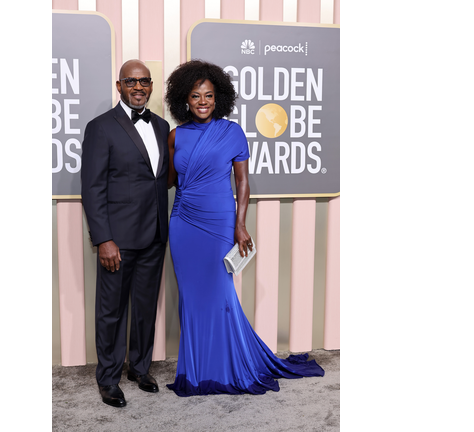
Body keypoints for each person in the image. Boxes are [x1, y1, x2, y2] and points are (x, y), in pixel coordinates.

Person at [163, 60, 325, 396]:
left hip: (219, 222)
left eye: (208, 95)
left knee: (220, 295)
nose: (203, 101)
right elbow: (168, 182)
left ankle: (227, 366)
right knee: (191, 299)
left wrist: (240, 225)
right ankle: (195, 371)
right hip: (183, 223)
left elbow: (243, 183)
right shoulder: (175, 136)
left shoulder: (232, 132)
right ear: (184, 100)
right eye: (195, 96)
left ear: (218, 97)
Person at [81, 59, 170, 408]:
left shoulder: (162, 126)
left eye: (144, 81)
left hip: (154, 235)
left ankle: (140, 368)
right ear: (119, 86)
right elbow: (92, 188)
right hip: (117, 240)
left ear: (150, 86)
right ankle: (108, 378)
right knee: (112, 310)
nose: (138, 87)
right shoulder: (101, 127)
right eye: (131, 81)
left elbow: (159, 179)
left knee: (146, 307)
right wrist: (103, 238)